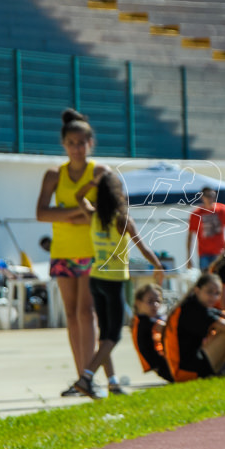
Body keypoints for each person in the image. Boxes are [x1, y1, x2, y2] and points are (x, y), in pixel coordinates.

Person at [69, 170, 165, 398]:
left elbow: (78, 197)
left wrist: (91, 183)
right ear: (118, 194)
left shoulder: (93, 216)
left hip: (96, 278)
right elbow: (143, 247)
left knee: (105, 335)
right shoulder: (122, 219)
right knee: (114, 335)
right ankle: (86, 377)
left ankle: (112, 382)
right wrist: (158, 265)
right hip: (114, 280)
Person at [35, 109, 110, 396]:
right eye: (71, 142)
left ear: (91, 143)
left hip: (92, 251)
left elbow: (103, 213)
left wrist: (63, 214)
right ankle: (81, 378)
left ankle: (88, 376)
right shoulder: (54, 175)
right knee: (71, 313)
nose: (77, 148)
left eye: (82, 142)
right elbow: (41, 213)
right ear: (63, 144)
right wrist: (78, 212)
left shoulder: (99, 172)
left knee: (86, 311)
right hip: (63, 251)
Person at [163, 273, 225, 383]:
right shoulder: (193, 310)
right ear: (197, 290)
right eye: (209, 292)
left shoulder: (196, 304)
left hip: (191, 364)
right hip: (186, 372)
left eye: (217, 293)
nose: (213, 297)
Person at [131, 283, 173, 383]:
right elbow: (166, 328)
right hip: (164, 367)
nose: (155, 305)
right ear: (138, 303)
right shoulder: (145, 323)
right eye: (150, 302)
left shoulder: (140, 320)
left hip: (162, 366)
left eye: (158, 301)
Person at [187, 187, 225, 271]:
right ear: (202, 197)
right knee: (206, 279)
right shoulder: (196, 214)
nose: (210, 198)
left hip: (220, 252)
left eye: (213, 195)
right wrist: (189, 258)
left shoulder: (222, 210)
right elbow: (190, 237)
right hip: (204, 253)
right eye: (207, 196)